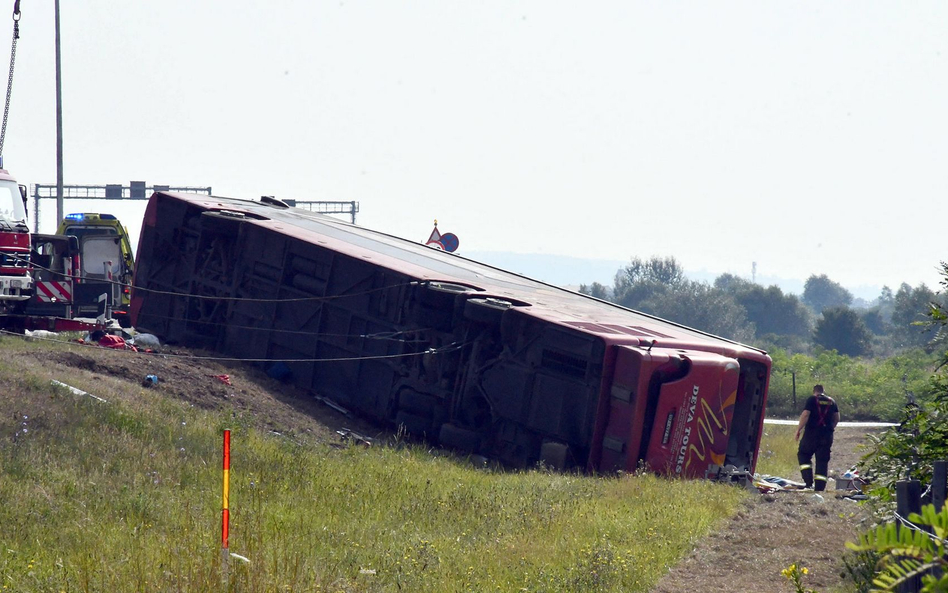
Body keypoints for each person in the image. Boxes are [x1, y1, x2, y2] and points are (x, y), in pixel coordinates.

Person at [795, 384, 840, 491]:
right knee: (822, 460)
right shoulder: (831, 401)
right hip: (827, 436)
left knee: (803, 454)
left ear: (814, 391)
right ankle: (820, 488)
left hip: (811, 434)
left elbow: (805, 414)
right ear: (823, 391)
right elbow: (837, 418)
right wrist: (830, 429)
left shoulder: (812, 399)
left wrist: (798, 429)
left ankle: (808, 482)